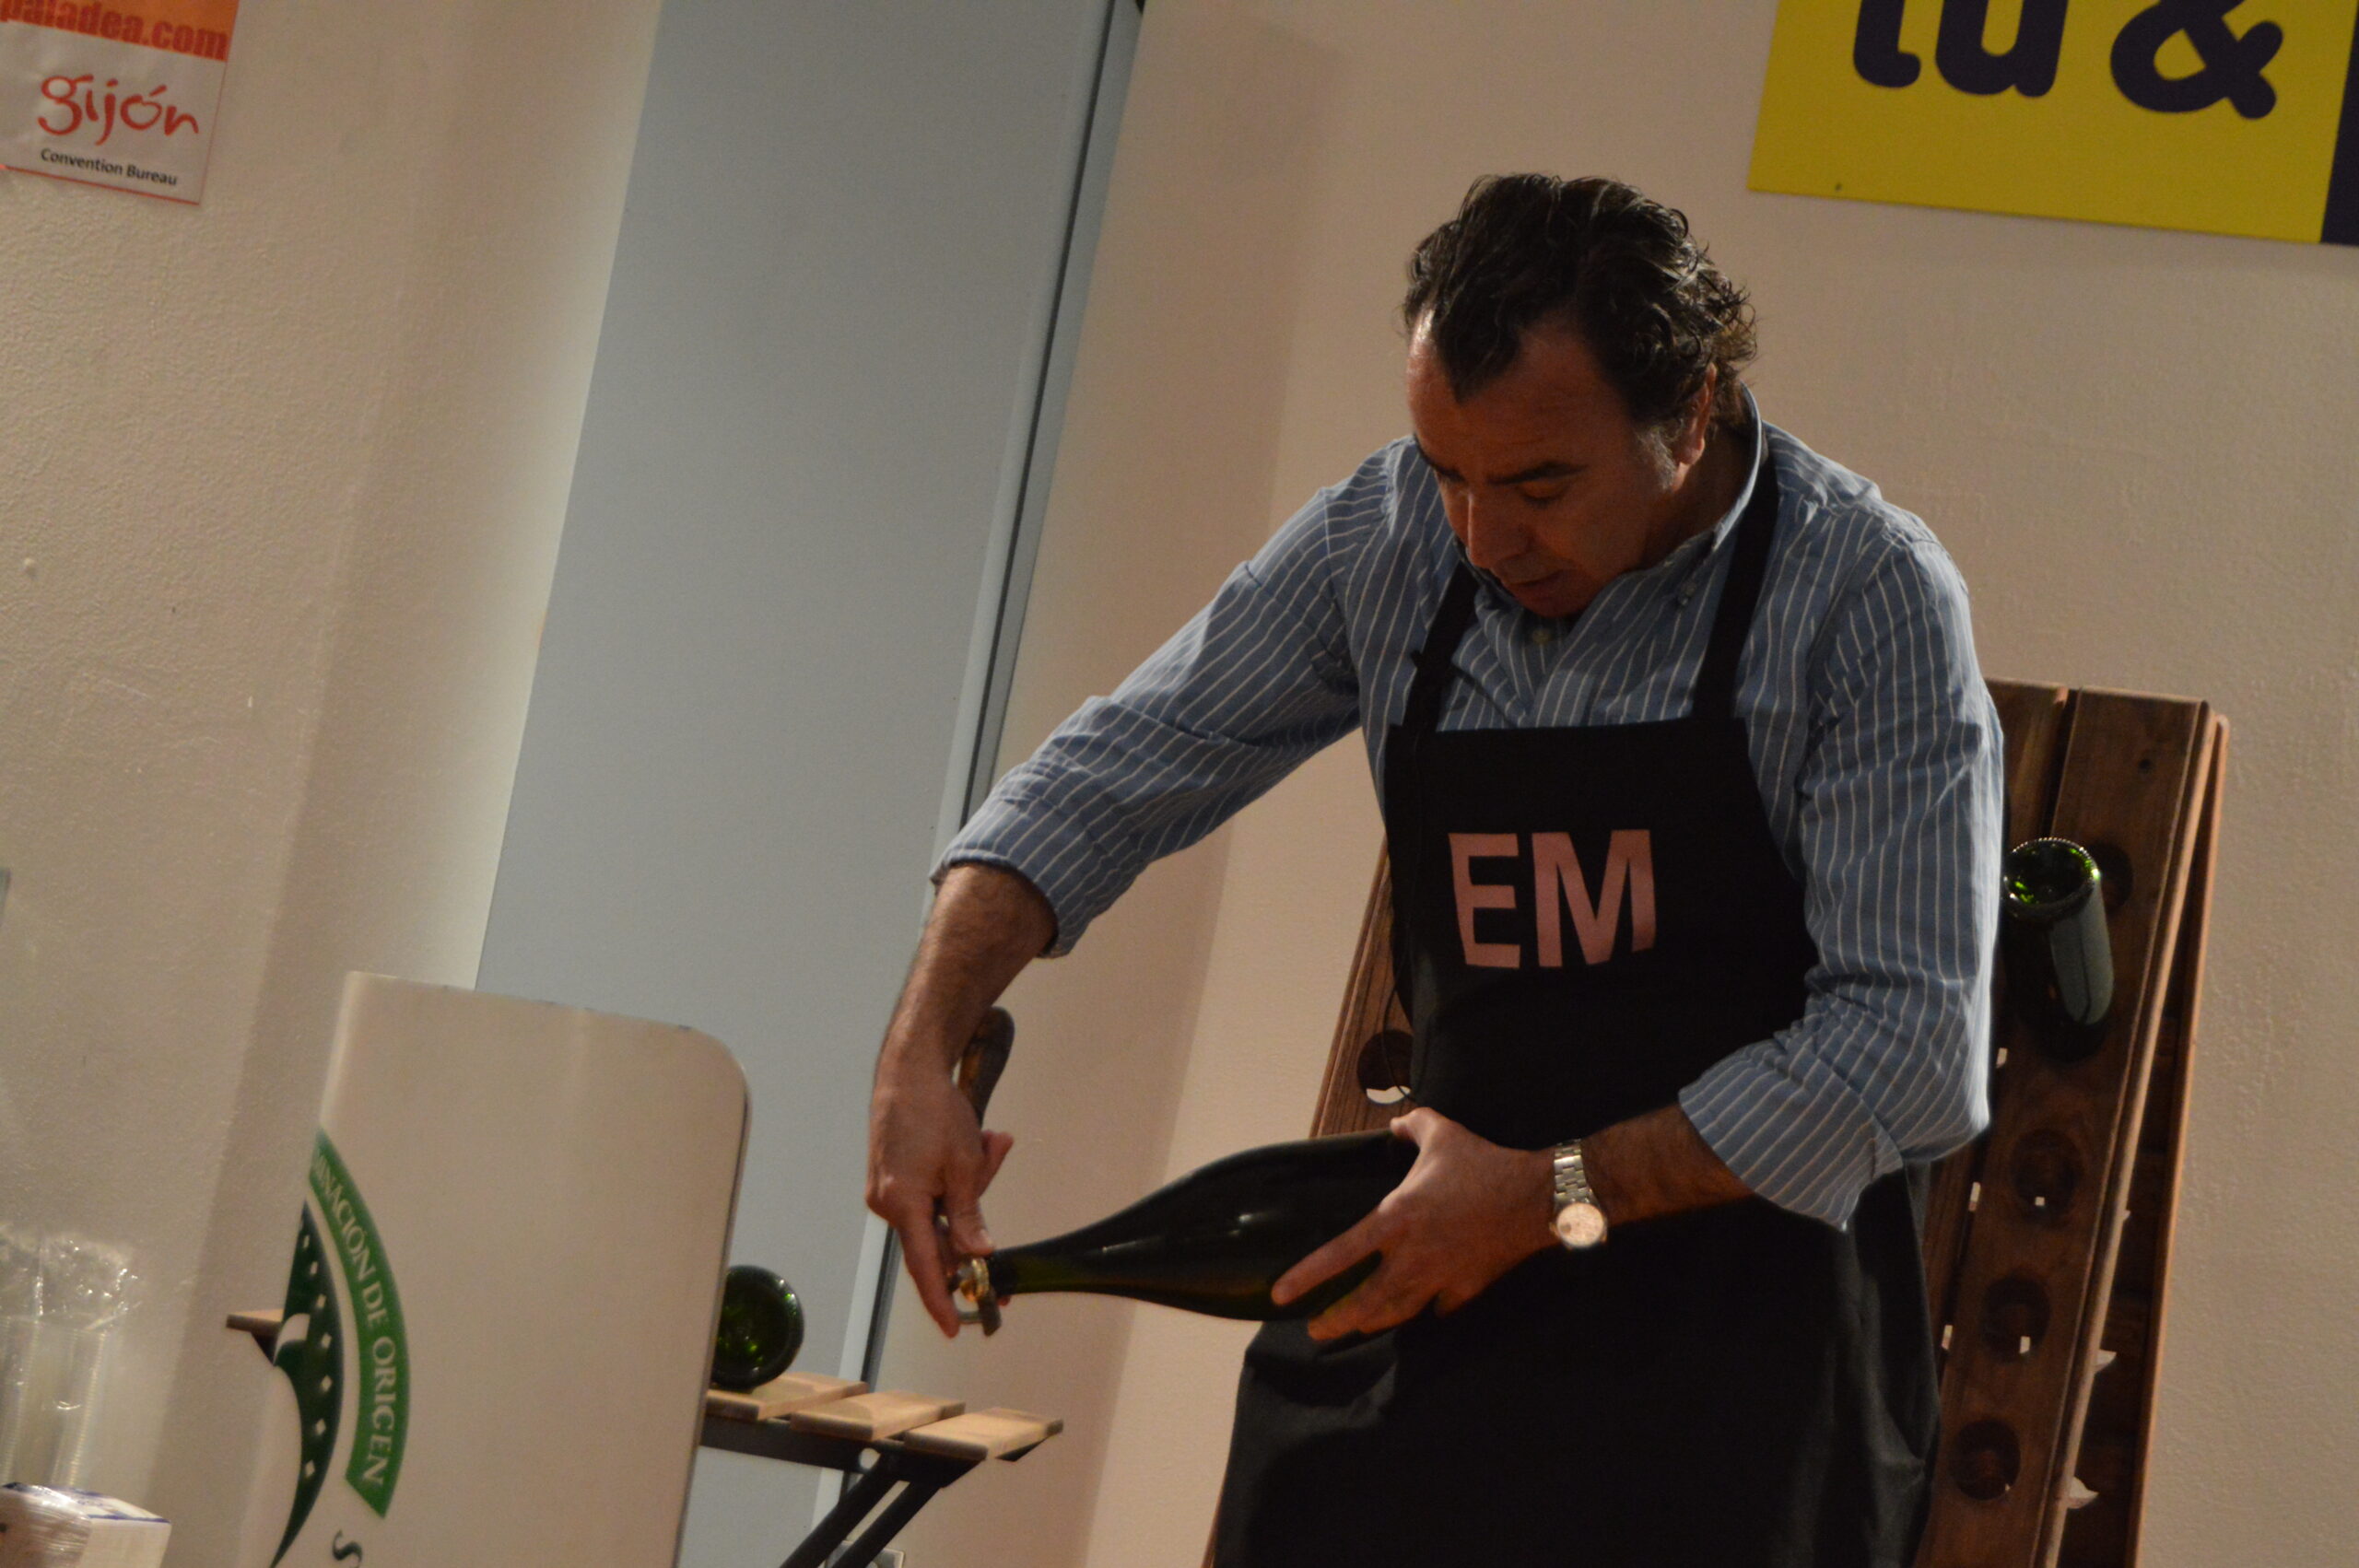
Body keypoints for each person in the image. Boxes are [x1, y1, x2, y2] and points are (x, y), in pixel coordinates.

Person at [866, 173, 2002, 1566]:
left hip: (1748, 1373)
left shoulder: (1863, 595)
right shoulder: (1389, 530)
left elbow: (1909, 1051)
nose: (1481, 536)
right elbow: (1103, 776)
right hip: (1435, 1293)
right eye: (1449, 470)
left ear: (1692, 410)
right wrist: (922, 1046)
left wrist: (1548, 1196)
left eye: (1539, 485)